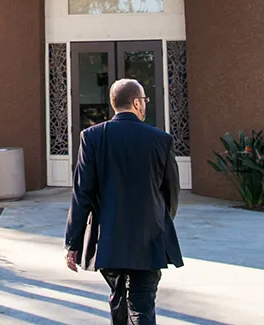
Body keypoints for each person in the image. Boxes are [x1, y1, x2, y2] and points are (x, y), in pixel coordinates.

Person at [64, 79, 183, 325]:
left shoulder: (92, 137)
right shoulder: (161, 139)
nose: (145, 105)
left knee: (118, 298)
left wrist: (72, 243)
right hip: (149, 237)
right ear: (137, 102)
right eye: (145, 101)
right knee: (141, 304)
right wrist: (163, 220)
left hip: (110, 237)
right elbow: (171, 192)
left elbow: (82, 194)